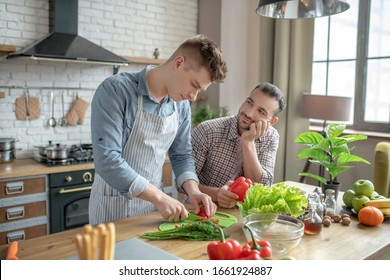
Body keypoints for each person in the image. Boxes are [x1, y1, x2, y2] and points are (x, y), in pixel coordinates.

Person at [89, 34, 227, 224]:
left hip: (153, 211)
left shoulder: (181, 105)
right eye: (194, 85)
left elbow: (182, 155)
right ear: (178, 63)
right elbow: (107, 160)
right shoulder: (116, 91)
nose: (194, 97)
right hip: (112, 208)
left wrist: (193, 190)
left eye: (199, 90)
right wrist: (159, 197)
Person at [191, 82, 286, 208]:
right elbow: (181, 184)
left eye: (261, 112)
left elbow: (261, 187)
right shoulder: (208, 130)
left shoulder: (271, 137)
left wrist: (248, 142)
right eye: (249, 102)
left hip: (241, 216)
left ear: (271, 122)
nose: (249, 113)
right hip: (199, 210)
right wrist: (216, 194)